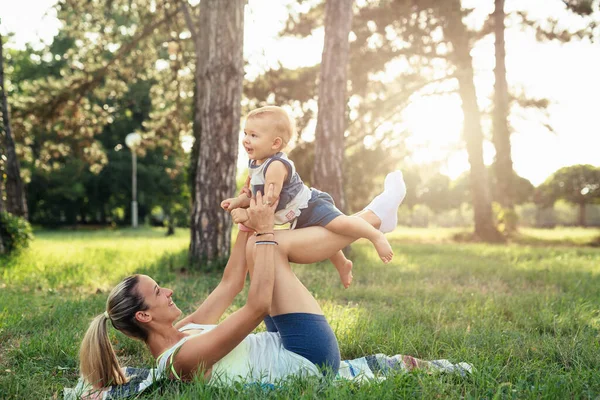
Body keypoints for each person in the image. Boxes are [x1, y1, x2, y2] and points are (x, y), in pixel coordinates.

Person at [80, 173, 406, 389]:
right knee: (273, 244)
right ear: (144, 316)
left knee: (260, 246)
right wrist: (265, 231)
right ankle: (376, 218)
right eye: (157, 291)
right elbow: (256, 307)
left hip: (287, 344)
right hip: (311, 359)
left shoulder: (186, 331)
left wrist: (248, 220)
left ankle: (376, 217)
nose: (169, 291)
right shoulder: (181, 360)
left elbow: (231, 283)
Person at [221, 106, 406, 288]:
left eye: (253, 135)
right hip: (296, 214)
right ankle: (342, 263)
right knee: (326, 238)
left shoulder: (276, 166)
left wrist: (247, 216)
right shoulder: (255, 163)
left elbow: (269, 201)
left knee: (340, 224)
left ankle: (375, 235)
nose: (246, 140)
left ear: (275, 144)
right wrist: (238, 201)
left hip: (310, 206)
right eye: (245, 133)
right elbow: (255, 195)